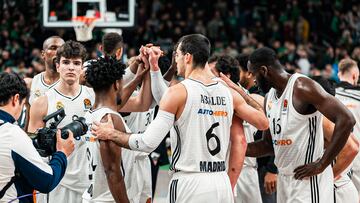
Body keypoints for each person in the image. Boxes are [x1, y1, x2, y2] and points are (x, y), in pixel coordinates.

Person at [91, 34, 269, 202]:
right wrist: (239, 91)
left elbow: (147, 143)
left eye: (177, 55)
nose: (175, 60)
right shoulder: (228, 92)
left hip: (189, 182)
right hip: (220, 181)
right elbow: (263, 123)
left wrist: (112, 133)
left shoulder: (178, 92)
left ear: (188, 57)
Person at [245, 47, 356, 203]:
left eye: (252, 73)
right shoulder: (269, 97)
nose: (252, 78)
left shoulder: (301, 87)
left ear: (264, 71)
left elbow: (346, 119)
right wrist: (234, 148)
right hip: (285, 179)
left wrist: (322, 164)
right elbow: (268, 145)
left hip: (308, 181)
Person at [28, 40, 94, 203]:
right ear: (57, 66)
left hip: (89, 181)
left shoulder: (94, 97)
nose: (71, 67)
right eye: (66, 62)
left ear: (82, 67)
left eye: (76, 63)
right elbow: (33, 150)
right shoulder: (42, 102)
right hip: (57, 182)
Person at [0, 72, 74, 202]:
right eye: (23, 105)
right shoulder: (12, 134)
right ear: (16, 99)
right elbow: (46, 181)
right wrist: (62, 153)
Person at [82, 57, 129, 203]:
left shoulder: (89, 114)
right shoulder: (110, 119)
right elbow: (112, 171)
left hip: (92, 195)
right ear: (116, 84)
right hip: (107, 199)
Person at [238, 53, 277, 203]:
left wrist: (273, 169)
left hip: (265, 168)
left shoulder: (262, 96)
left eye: (239, 71)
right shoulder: (246, 95)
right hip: (254, 165)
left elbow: (278, 134)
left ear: (248, 73)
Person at [334, 58, 360, 200]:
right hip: (357, 157)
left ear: (339, 74)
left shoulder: (327, 96)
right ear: (355, 75)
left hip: (336, 159)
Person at [28, 36, 65, 105]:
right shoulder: (31, 83)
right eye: (53, 48)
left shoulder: (74, 82)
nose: (58, 52)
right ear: (43, 54)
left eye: (61, 49)